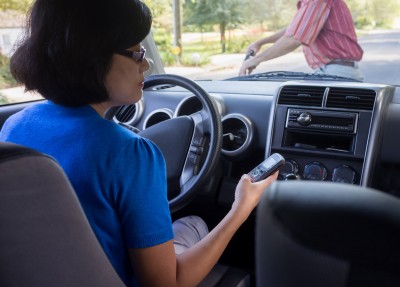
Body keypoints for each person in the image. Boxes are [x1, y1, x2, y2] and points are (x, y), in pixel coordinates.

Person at [0, 0, 278, 286]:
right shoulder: (131, 152)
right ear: (94, 56)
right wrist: (241, 208)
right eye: (137, 53)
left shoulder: (15, 126)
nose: (145, 64)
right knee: (195, 223)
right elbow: (168, 282)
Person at [239, 0, 364, 81]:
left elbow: (294, 38)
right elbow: (294, 29)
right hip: (335, 72)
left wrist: (256, 59)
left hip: (337, 73)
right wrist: (260, 42)